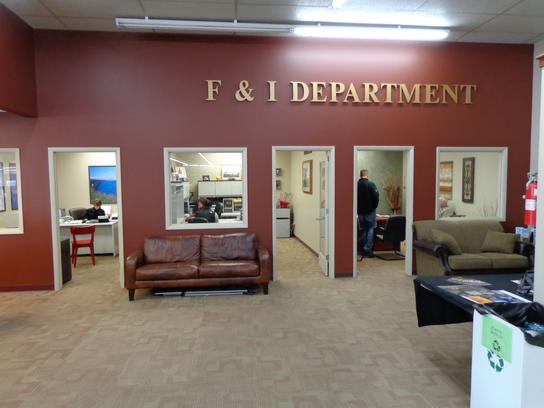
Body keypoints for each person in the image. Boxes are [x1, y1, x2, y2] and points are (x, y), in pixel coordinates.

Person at [357, 169, 379, 257]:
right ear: (367, 175)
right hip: (370, 211)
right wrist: (373, 207)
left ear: (360, 175)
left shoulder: (356, 185)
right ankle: (367, 248)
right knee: (371, 228)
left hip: (359, 212)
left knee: (362, 229)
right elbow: (376, 197)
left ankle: (362, 248)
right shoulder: (371, 184)